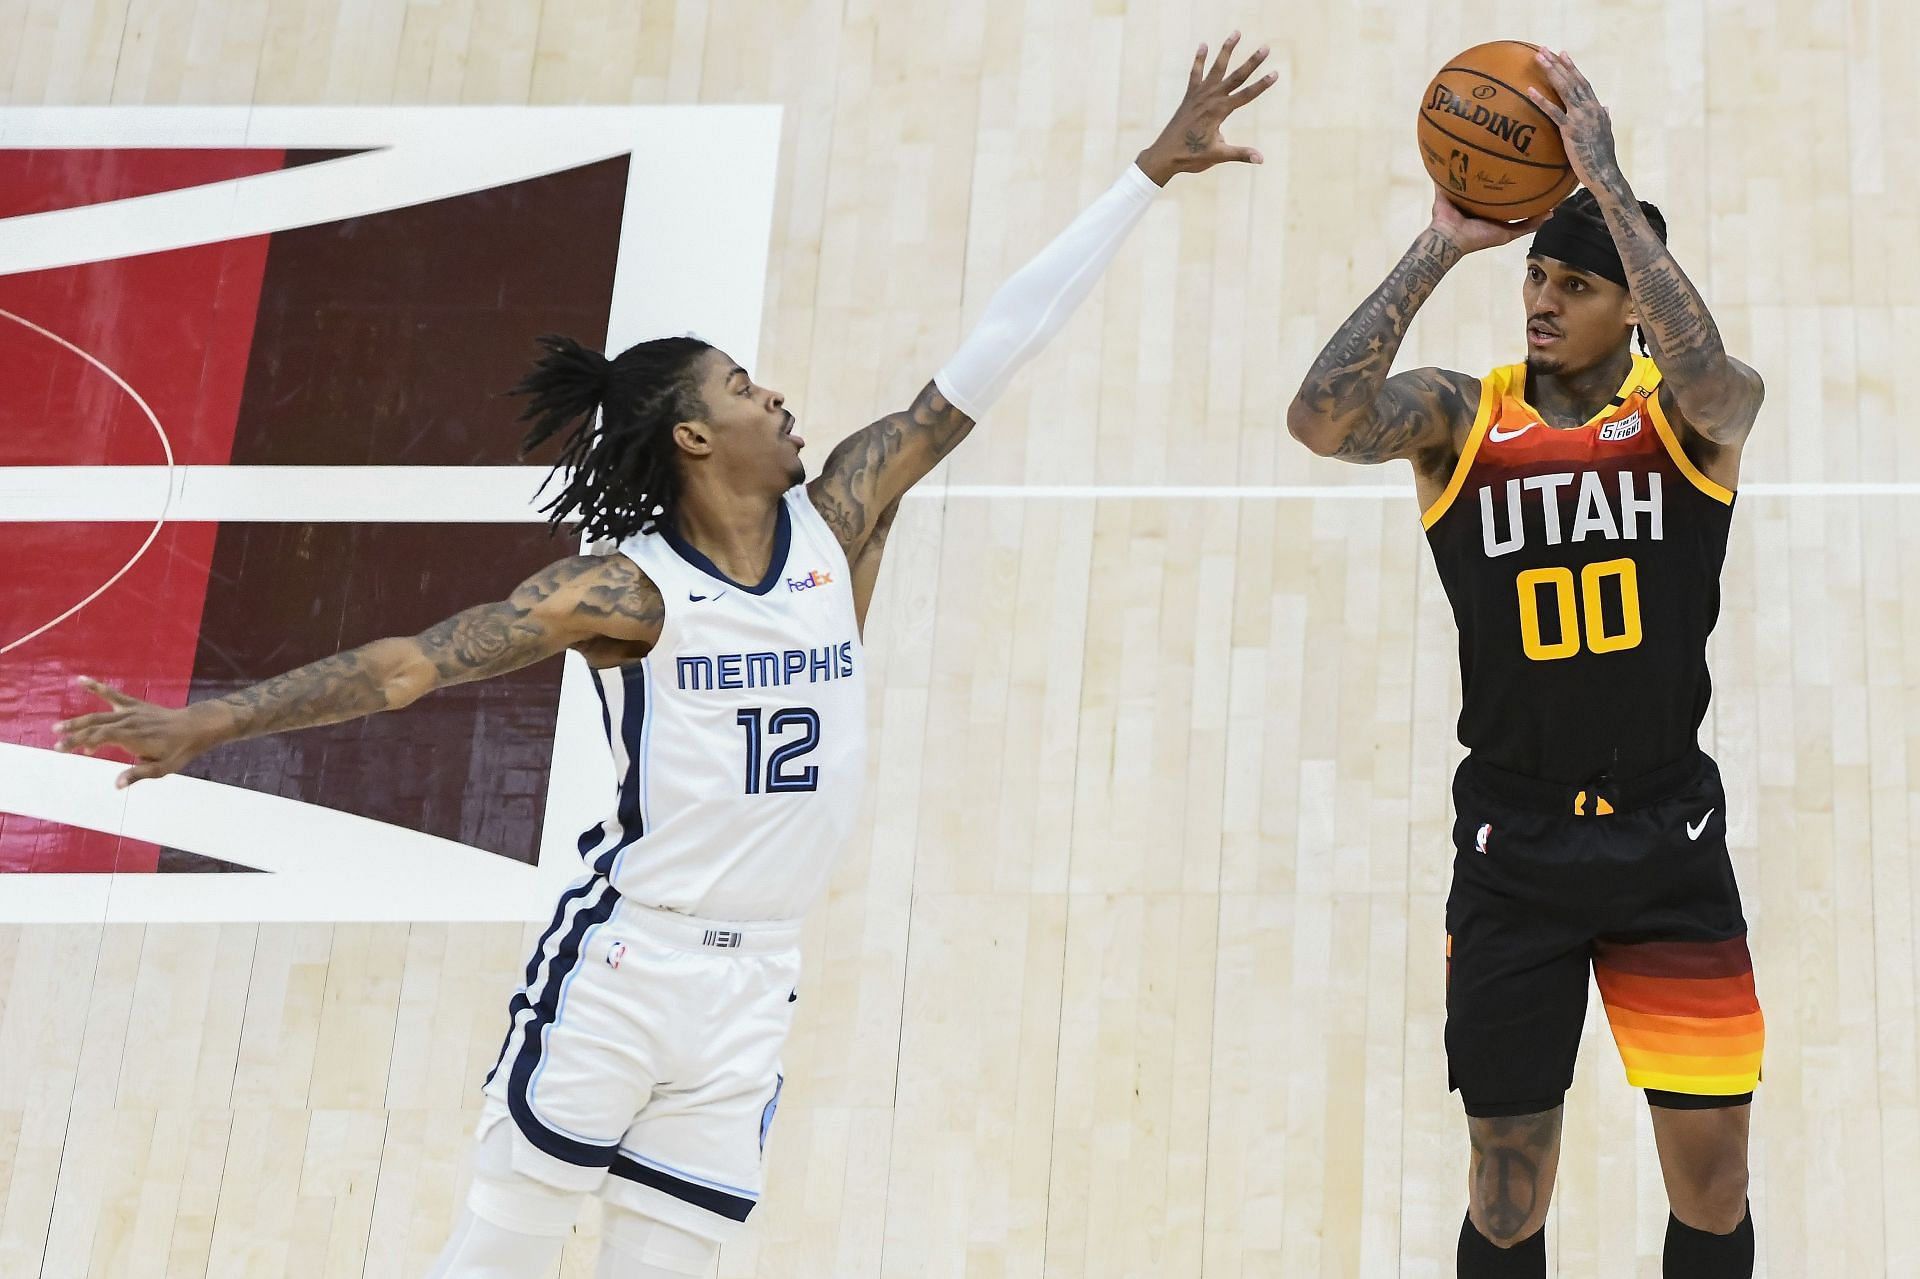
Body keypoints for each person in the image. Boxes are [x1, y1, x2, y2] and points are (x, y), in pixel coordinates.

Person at [53, 35, 1274, 1278]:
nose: (778, 397)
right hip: (628, 963)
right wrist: (210, 725)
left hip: (756, 983)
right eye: (746, 386)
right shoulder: (627, 590)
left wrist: (1146, 176)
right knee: (504, 1252)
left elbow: (994, 352)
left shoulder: (841, 515)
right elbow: (411, 665)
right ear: (694, 433)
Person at [1287, 50, 1764, 1279]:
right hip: (1515, 847)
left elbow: (1715, 373)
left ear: (1632, 307)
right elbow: (1323, 415)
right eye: (1536, 278)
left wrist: (1602, 180)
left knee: (1713, 1190)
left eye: (1571, 284)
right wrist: (1444, 242)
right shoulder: (1461, 416)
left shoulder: (1685, 418)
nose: (1541, 301)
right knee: (1507, 1192)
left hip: (1668, 835)